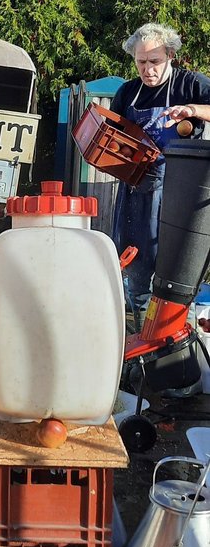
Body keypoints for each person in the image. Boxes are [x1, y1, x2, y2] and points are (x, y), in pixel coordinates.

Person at [111, 22, 210, 327]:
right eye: (141, 62)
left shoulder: (190, 84)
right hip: (136, 191)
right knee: (135, 263)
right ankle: (142, 331)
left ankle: (177, 331)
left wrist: (192, 110)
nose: (148, 70)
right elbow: (112, 136)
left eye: (154, 62)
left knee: (176, 268)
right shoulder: (128, 92)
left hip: (180, 192)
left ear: (170, 55)